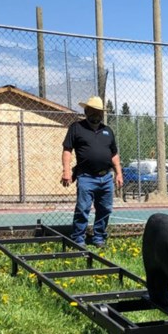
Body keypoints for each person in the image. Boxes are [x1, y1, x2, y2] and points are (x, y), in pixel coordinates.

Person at [60, 96, 124, 247]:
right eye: (93, 111)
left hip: (106, 178)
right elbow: (67, 150)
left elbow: (114, 154)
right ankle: (78, 239)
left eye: (99, 112)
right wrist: (66, 171)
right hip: (86, 177)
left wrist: (119, 173)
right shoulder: (76, 128)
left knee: (105, 209)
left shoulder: (107, 131)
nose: (96, 114)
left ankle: (99, 238)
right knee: (83, 209)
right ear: (86, 111)